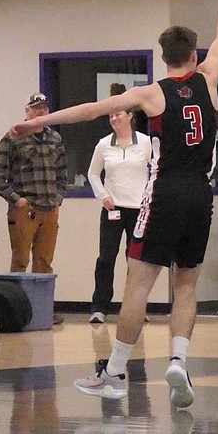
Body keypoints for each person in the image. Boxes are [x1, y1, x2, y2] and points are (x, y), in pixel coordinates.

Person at [11, 0, 218, 409]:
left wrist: (39, 123)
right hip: (201, 192)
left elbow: (90, 111)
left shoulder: (151, 94)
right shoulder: (211, 79)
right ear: (194, 56)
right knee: (187, 284)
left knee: (138, 282)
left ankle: (114, 373)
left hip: (167, 188)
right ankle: (178, 359)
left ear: (163, 58)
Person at [0, 93, 68, 277]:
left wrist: (58, 199)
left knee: (45, 262)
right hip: (25, 210)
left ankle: (40, 305)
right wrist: (17, 200)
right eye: (36, 107)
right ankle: (18, 304)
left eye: (45, 108)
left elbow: (62, 175)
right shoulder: (13, 137)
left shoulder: (55, 138)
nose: (41, 111)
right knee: (20, 261)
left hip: (50, 210)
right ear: (27, 111)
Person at [86, 108, 152, 324]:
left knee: (136, 261)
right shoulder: (104, 144)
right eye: (111, 115)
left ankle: (136, 308)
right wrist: (103, 196)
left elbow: (157, 170)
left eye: (118, 115)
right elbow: (93, 173)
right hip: (112, 209)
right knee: (106, 258)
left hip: (138, 210)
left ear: (130, 116)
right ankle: (99, 308)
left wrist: (149, 196)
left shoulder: (145, 142)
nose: (114, 119)